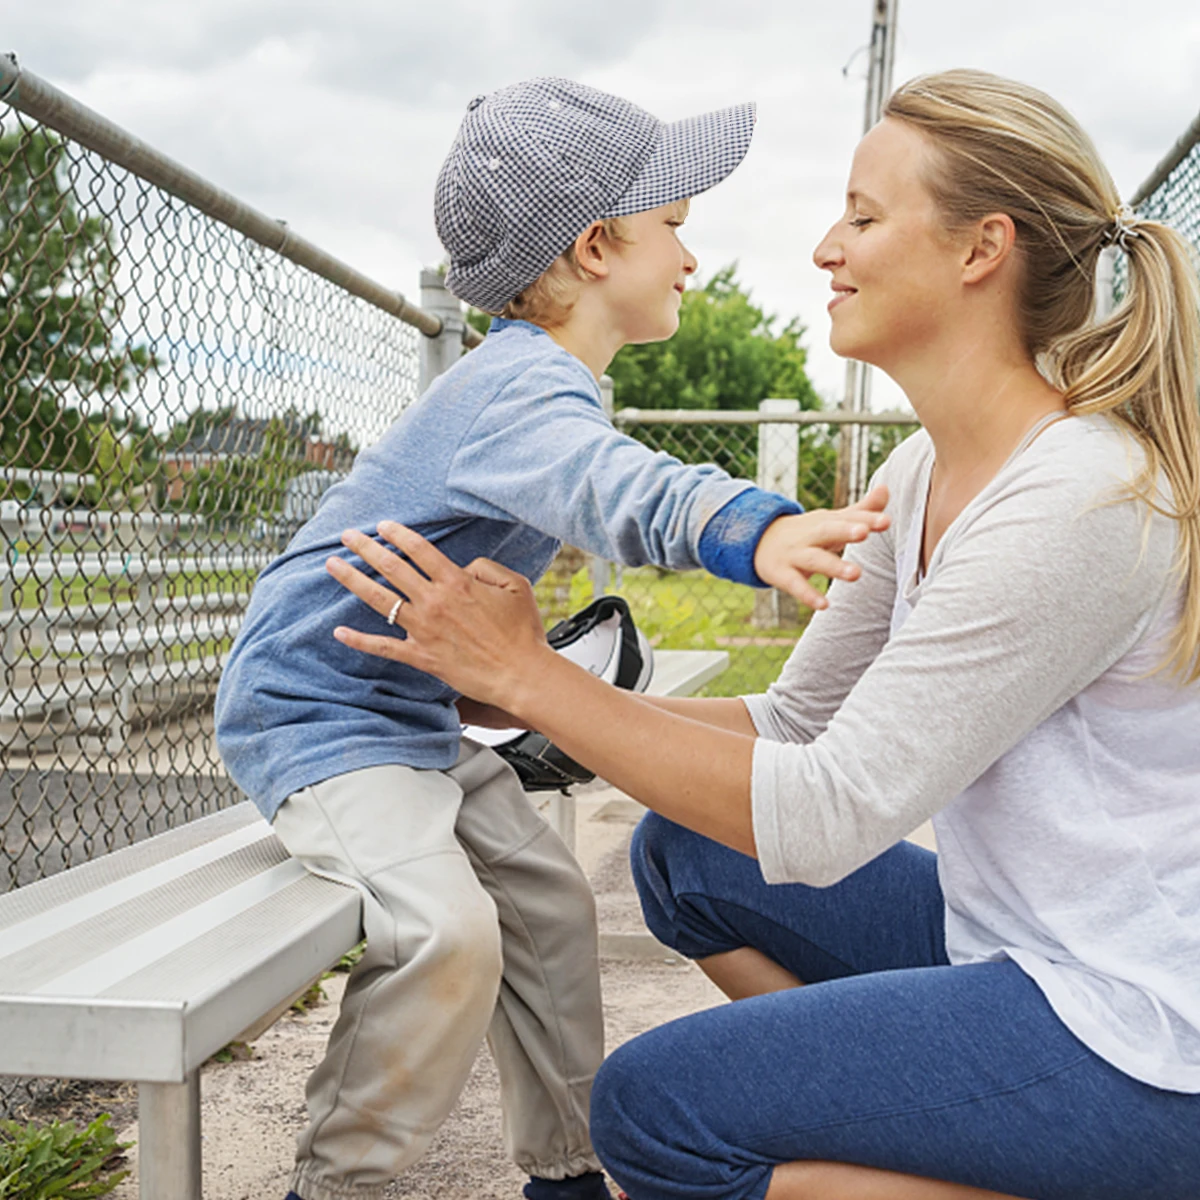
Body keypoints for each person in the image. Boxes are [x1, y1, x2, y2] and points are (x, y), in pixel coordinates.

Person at [324, 69, 1200, 1200]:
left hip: (1139, 1034)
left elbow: (828, 812)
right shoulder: (926, 465)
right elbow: (792, 723)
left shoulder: (1076, 499)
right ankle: (928, 1128)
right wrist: (521, 698)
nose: (828, 248)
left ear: (983, 249)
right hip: (1012, 946)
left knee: (655, 1115)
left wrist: (542, 680)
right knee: (684, 855)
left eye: (865, 217)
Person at [215, 76, 891, 1200]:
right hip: (319, 715)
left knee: (545, 908)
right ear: (591, 246)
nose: (690, 253)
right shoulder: (521, 388)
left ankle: (569, 1169)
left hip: (409, 716)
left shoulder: (535, 383)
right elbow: (609, 485)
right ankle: (338, 1186)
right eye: (672, 224)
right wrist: (749, 528)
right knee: (450, 937)